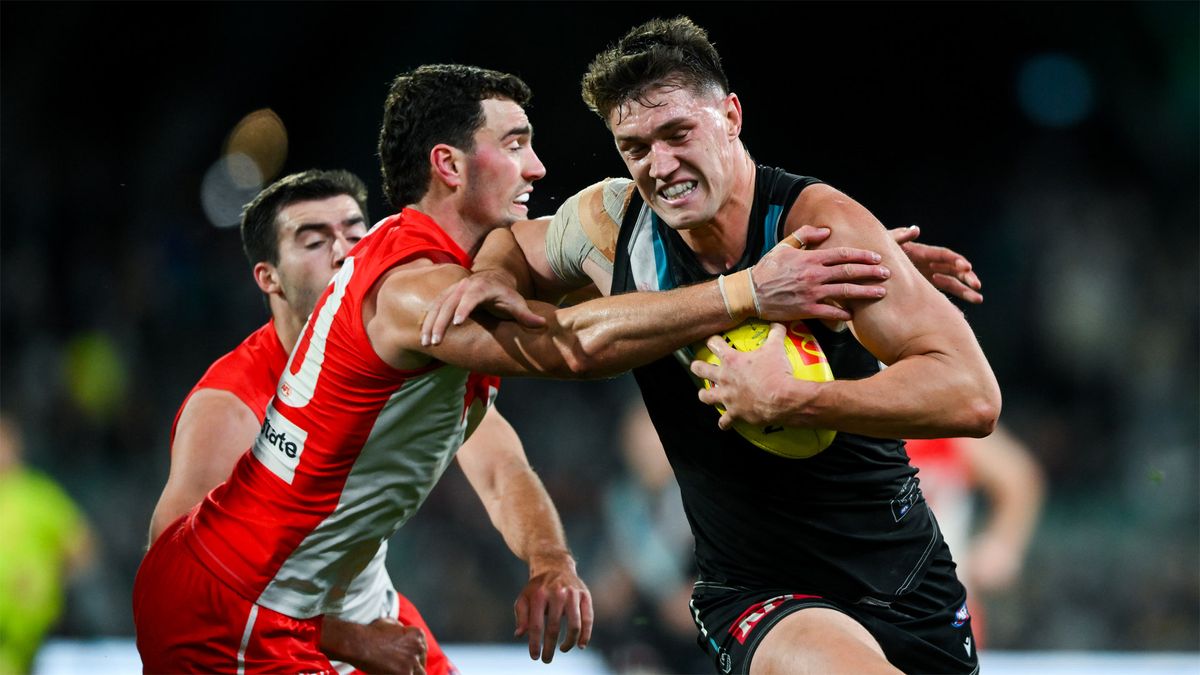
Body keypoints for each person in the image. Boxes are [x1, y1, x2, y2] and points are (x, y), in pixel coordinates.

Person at [132, 63, 871, 673]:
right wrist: (749, 290)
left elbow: (501, 452)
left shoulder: (460, 281)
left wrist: (855, 269)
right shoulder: (411, 290)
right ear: (449, 165)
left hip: (313, 601)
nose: (538, 166)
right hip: (230, 610)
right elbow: (578, 347)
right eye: (515, 143)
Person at [425, 17, 1001, 675]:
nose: (661, 165)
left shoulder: (821, 231)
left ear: (730, 116)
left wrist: (800, 398)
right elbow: (518, 244)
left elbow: (973, 395)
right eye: (635, 147)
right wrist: (495, 276)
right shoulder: (614, 226)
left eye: (677, 134)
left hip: (902, 576)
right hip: (758, 591)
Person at [149, 169, 498, 674]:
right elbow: (177, 574)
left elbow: (498, 460)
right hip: (288, 643)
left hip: (369, 608)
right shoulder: (231, 406)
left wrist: (550, 559)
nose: (342, 252)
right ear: (268, 277)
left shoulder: (388, 355)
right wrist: (354, 642)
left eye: (356, 235)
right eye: (314, 241)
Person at [904, 424, 1045, 646]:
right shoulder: (855, 428)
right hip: (866, 605)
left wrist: (1001, 545)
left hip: (943, 606)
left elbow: (1017, 477)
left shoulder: (943, 423)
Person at [0, 412, 96, 673]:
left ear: (15, 446)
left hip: (29, 629)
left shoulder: (39, 495)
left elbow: (81, 545)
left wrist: (50, 580)